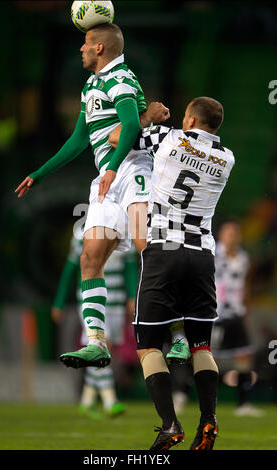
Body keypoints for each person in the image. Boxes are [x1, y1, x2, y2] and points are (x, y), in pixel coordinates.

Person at [15, 23, 169, 370]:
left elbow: (131, 125)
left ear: (100, 48)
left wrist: (113, 167)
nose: (80, 50)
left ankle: (177, 332)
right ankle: (97, 342)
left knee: (148, 247)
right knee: (89, 258)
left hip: (133, 170)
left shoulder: (122, 78)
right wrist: (38, 174)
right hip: (106, 178)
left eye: (85, 43)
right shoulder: (91, 86)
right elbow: (77, 141)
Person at [109, 96, 235, 450]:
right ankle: (209, 418)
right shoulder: (227, 158)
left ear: (191, 120)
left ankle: (169, 425)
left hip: (164, 251)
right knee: (201, 345)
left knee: (149, 345)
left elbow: (117, 137)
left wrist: (147, 117)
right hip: (201, 255)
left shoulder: (168, 138)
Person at [51, 230, 138, 417]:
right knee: (101, 345)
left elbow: (130, 267)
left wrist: (132, 295)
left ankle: (87, 399)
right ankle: (110, 400)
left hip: (115, 301)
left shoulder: (123, 228)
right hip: (89, 299)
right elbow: (70, 268)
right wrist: (59, 301)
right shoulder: (82, 231)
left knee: (107, 349)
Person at [212, 219, 264, 417]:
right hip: (214, 313)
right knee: (207, 357)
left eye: (235, 233)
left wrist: (246, 311)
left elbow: (245, 286)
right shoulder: (212, 253)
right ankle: (183, 395)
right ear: (221, 235)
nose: (231, 237)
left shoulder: (243, 258)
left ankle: (243, 404)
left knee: (244, 356)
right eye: (228, 233)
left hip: (236, 313)